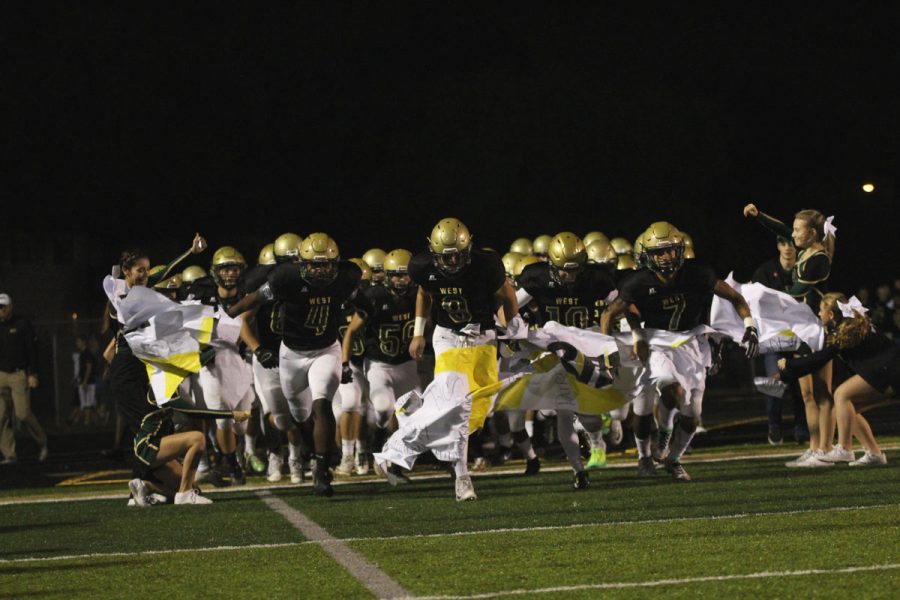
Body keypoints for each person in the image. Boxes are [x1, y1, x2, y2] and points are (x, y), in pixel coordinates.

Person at [601, 222, 759, 482]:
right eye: (660, 253)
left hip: (692, 341)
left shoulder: (697, 272)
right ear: (648, 256)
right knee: (672, 389)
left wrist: (750, 326)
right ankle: (660, 438)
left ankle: (673, 460)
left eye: (671, 251)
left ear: (680, 250)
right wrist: (608, 349)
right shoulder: (638, 280)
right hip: (656, 341)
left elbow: (736, 298)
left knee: (692, 415)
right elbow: (610, 313)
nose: (666, 257)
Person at [375, 218, 518, 501]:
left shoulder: (486, 264)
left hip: (483, 340)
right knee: (456, 406)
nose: (452, 261)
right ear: (434, 252)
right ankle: (462, 478)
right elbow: (424, 295)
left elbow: (508, 295)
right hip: (448, 338)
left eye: (457, 255)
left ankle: (412, 409)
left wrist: (514, 330)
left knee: (479, 413)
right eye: (446, 256)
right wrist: (418, 333)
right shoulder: (422, 266)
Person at [225, 233, 363, 497]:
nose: (320, 270)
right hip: (291, 353)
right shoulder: (284, 279)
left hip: (325, 349)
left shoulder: (345, 277)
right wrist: (223, 315)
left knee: (322, 403)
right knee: (298, 416)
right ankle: (315, 451)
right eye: (314, 264)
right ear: (301, 263)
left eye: (326, 264)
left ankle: (322, 470)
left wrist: (367, 307)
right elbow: (252, 301)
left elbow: (362, 300)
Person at [514, 232, 617, 489]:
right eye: (564, 271)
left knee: (589, 415)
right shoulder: (536, 277)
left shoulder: (596, 278)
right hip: (556, 349)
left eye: (575, 270)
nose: (570, 277)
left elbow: (621, 304)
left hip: (585, 347)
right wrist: (514, 330)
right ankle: (578, 470)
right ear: (551, 265)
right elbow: (511, 305)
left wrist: (611, 331)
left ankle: (596, 438)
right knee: (563, 411)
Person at [743, 204, 837, 467]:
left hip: (818, 327)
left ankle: (826, 449)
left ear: (813, 233)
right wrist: (759, 215)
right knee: (807, 394)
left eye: (798, 230)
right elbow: (781, 228)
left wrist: (758, 296)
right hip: (802, 325)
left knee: (822, 393)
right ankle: (814, 447)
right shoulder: (806, 248)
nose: (792, 235)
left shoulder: (818, 259)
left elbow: (793, 293)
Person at [776, 293, 893, 466]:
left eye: (820, 311)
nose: (819, 315)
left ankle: (844, 450)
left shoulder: (845, 329)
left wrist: (790, 365)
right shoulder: (849, 324)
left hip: (890, 371)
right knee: (846, 409)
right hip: (886, 370)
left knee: (841, 395)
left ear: (830, 315)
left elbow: (821, 358)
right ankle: (875, 453)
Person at [750, 236, 808, 445]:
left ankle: (802, 427)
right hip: (774, 336)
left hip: (799, 335)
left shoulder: (804, 269)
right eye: (783, 244)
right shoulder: (765, 271)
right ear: (778, 246)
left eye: (791, 244)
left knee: (801, 387)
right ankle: (774, 427)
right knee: (774, 383)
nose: (788, 248)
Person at [0, 293, 48, 464]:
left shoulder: (22, 324)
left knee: (22, 414)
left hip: (18, 374)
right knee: (1, 416)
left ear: (10, 307)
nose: (1, 311)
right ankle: (9, 454)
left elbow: (31, 349)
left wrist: (33, 373)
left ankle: (42, 442)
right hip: (1, 375)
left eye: (3, 307)